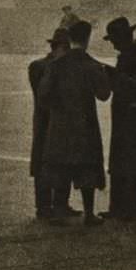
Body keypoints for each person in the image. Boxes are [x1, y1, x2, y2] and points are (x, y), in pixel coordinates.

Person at [38, 20, 111, 226]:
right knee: (87, 168)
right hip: (85, 125)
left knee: (60, 167)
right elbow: (104, 95)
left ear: (69, 39)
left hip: (60, 124)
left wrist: (58, 108)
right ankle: (89, 213)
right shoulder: (92, 66)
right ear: (87, 39)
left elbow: (43, 95)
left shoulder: (55, 66)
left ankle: (59, 211)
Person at [100, 17, 136, 221]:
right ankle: (119, 207)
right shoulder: (129, 56)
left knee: (135, 164)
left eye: (114, 39)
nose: (113, 44)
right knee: (121, 162)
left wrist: (112, 75)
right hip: (127, 117)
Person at [28, 28, 81, 219]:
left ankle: (57, 204)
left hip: (52, 121)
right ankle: (45, 206)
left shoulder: (41, 65)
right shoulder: (42, 66)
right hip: (48, 121)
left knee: (60, 161)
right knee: (47, 162)